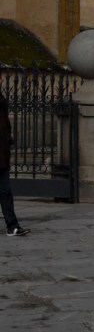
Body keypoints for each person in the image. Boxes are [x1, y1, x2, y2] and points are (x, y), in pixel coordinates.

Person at [0, 94, 30, 237]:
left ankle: (12, 226)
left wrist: (8, 138)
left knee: (6, 192)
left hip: (1, 155)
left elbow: (6, 122)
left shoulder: (1, 100)